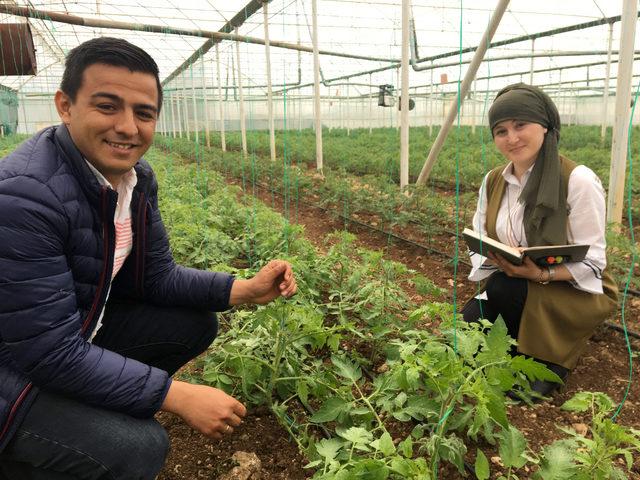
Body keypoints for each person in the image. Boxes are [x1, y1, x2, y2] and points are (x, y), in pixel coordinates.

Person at [0, 37, 297, 479]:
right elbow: (46, 351)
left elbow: (155, 278)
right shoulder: (26, 195)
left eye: (144, 113)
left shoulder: (132, 180)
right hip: (15, 371)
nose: (128, 127)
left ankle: (82, 417)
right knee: (139, 448)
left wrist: (245, 290)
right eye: (107, 106)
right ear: (65, 105)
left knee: (194, 321)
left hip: (64, 339)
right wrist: (172, 395)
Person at [462, 83, 617, 398]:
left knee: (505, 289)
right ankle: (518, 344)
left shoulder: (577, 180)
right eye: (501, 130)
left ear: (545, 127)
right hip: (514, 279)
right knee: (469, 323)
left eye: (521, 125)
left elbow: (594, 262)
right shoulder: (494, 181)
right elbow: (478, 236)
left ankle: (551, 361)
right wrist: (494, 257)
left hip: (570, 289)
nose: (512, 137)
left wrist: (540, 273)